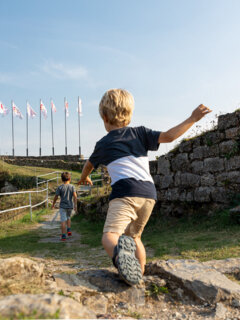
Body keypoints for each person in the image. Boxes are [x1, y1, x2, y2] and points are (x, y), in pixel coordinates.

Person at [78, 88, 211, 285]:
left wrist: (84, 178)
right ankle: (137, 275)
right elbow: (169, 137)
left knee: (110, 236)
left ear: (104, 117)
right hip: (149, 194)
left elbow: (89, 165)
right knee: (135, 237)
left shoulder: (103, 144)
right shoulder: (140, 133)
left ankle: (122, 259)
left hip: (125, 192)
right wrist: (192, 118)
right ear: (129, 115)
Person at [51, 172, 77, 241]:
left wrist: (53, 204)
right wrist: (75, 205)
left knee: (63, 221)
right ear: (70, 179)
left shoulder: (60, 187)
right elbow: (75, 196)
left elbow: (56, 197)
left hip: (62, 206)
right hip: (70, 206)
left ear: (62, 179)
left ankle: (63, 236)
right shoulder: (72, 187)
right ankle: (68, 229)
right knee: (68, 217)